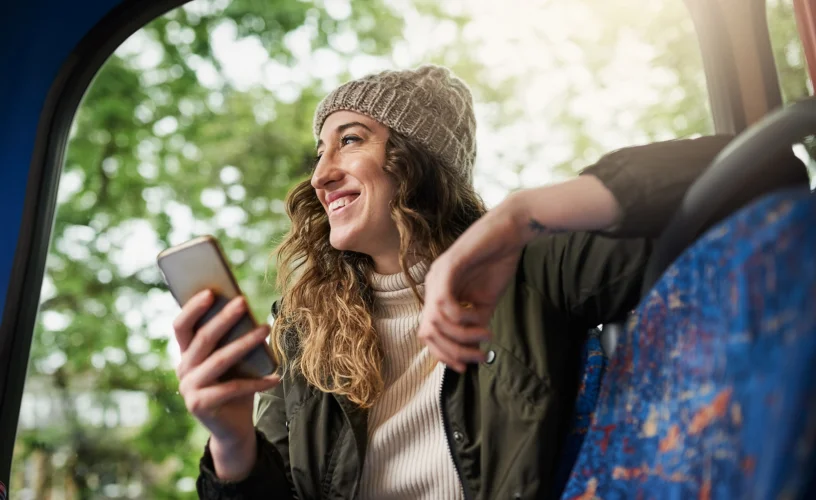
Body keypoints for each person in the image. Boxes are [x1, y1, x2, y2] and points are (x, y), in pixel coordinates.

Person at [173, 65, 806, 499]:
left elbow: (764, 169)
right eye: (320, 151)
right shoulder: (301, 328)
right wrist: (231, 443)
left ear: (415, 162)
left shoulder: (529, 268)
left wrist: (521, 212)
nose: (321, 174)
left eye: (350, 141)